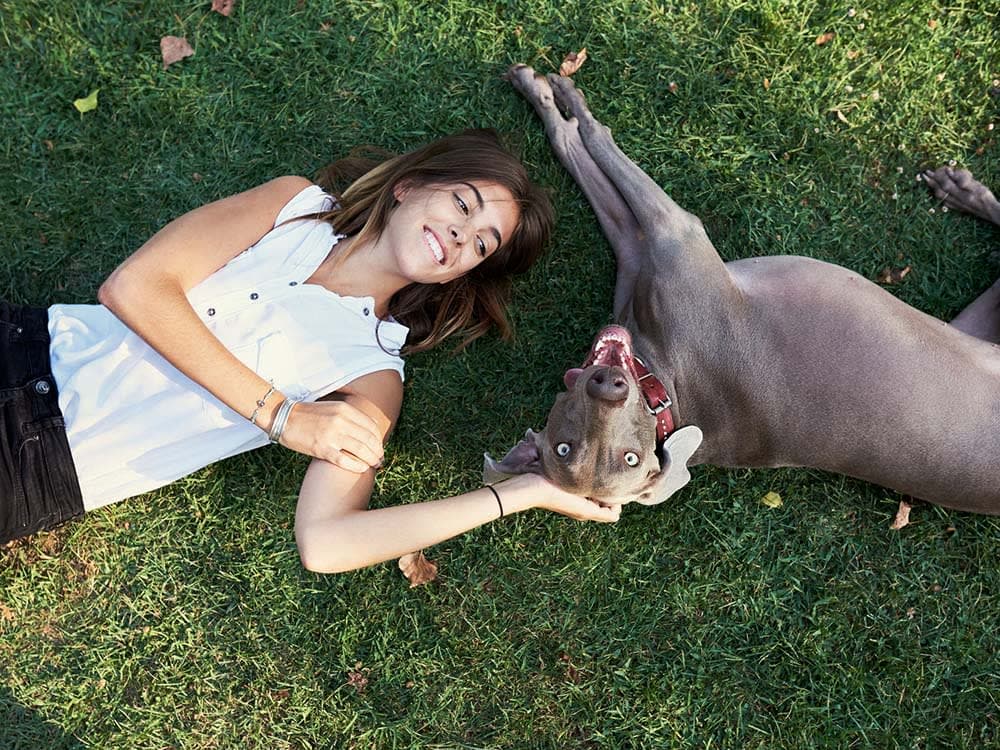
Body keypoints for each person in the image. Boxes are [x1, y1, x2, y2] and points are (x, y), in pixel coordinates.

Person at [0, 129, 621, 570]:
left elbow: (327, 543)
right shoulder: (292, 207)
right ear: (408, 187)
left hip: (41, 465)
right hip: (27, 342)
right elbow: (133, 287)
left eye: (482, 245)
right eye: (463, 203)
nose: (463, 234)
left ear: (459, 275)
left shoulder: (372, 374)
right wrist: (282, 415)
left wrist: (521, 493)